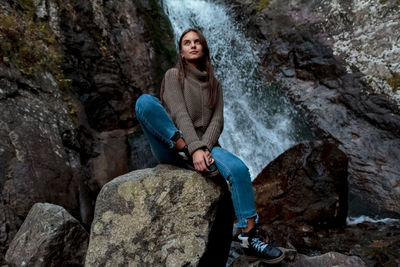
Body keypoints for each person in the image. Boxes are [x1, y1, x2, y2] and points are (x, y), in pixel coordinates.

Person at [135, 28, 284, 264]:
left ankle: (250, 237)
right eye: (187, 43)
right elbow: (179, 113)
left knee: (238, 170)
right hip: (173, 144)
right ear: (181, 52)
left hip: (206, 146)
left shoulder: (215, 84)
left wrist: (203, 148)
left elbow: (217, 122)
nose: (192, 45)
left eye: (197, 42)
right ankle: (185, 149)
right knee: (145, 103)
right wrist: (191, 148)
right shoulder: (173, 75)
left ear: (204, 48)